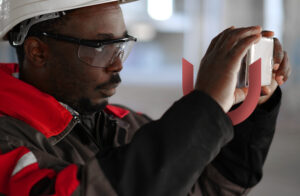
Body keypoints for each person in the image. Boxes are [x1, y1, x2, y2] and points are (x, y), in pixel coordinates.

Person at [0, 0, 291, 195]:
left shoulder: (123, 123)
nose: (118, 64)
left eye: (121, 45)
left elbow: (211, 186)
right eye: (101, 46)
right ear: (37, 52)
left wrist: (250, 99)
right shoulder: (8, 142)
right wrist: (206, 104)